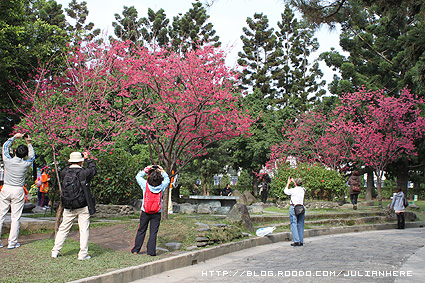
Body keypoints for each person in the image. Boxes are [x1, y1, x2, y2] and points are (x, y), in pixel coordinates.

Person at [51, 151, 97, 260]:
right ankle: (83, 254)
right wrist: (87, 159)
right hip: (82, 204)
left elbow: (69, 168)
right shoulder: (84, 173)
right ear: (81, 161)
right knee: (84, 229)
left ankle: (55, 251)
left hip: (68, 205)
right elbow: (93, 170)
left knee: (63, 228)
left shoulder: (64, 172)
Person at [0, 133, 35, 249]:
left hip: (6, 188)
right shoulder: (25, 164)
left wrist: (14, 137)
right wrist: (29, 143)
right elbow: (32, 156)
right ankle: (12, 242)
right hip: (18, 189)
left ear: (15, 152)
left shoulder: (7, 161)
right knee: (15, 218)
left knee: (1, 215)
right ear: (24, 155)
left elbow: (5, 147)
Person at [131, 165, 169, 256]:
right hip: (157, 212)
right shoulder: (162, 186)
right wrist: (162, 170)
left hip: (145, 211)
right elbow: (167, 179)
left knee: (141, 230)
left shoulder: (145, 185)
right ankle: (151, 252)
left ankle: (136, 250)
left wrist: (146, 169)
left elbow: (138, 176)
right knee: (153, 232)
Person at [284, 177, 306, 247]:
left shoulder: (293, 190)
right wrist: (294, 181)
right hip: (301, 207)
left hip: (294, 207)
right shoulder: (303, 190)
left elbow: (285, 191)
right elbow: (298, 186)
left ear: (295, 184)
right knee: (300, 224)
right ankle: (301, 240)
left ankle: (296, 241)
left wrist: (288, 183)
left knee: (294, 224)